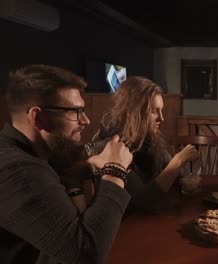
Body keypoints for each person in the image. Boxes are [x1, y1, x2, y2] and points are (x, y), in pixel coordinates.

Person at [0, 65, 133, 263]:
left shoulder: (38, 155)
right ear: (37, 118)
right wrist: (115, 172)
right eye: (75, 112)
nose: (86, 120)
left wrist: (87, 169)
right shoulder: (17, 171)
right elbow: (87, 252)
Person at [94, 76, 199, 214]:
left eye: (161, 110)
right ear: (133, 111)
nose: (161, 118)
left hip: (151, 219)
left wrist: (186, 181)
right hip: (126, 226)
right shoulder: (113, 145)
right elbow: (144, 202)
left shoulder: (148, 139)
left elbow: (180, 177)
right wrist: (179, 160)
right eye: (154, 111)